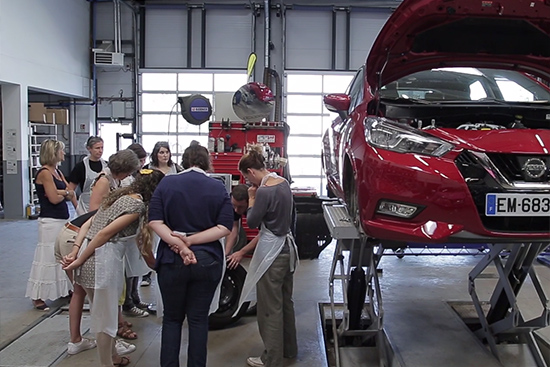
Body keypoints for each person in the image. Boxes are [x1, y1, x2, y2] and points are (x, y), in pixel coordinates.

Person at [63, 169, 164, 367]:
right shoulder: (137, 206)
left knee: (100, 312)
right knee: (106, 319)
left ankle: (113, 358)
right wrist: (78, 259)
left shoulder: (120, 196)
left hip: (90, 254)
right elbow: (103, 235)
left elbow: (88, 225)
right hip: (102, 259)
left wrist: (77, 253)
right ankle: (106, 363)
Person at [149, 142, 233, 367]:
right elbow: (225, 227)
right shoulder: (217, 187)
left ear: (183, 161)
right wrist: (192, 240)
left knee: (172, 319)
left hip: (171, 259)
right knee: (198, 320)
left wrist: (178, 241)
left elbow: (154, 221)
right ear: (207, 163)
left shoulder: (166, 184)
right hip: (207, 260)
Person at [237, 144, 299, 367]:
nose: (248, 183)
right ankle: (289, 349)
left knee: (269, 308)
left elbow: (252, 221)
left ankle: (271, 358)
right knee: (285, 302)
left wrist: (252, 198)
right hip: (287, 248)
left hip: (272, 253)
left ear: (251, 172)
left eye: (247, 177)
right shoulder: (283, 184)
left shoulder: (263, 191)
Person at [26, 139, 76, 310]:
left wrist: (63, 192)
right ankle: (38, 295)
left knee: (63, 255)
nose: (64, 154)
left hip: (62, 218)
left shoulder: (57, 172)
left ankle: (64, 289)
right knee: (48, 256)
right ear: (54, 153)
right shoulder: (45, 173)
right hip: (50, 221)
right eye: (61, 151)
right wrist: (64, 193)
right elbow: (54, 198)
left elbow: (69, 193)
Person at [55, 209, 98, 354]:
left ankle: (76, 340)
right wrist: (77, 254)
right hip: (77, 236)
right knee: (95, 291)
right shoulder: (132, 205)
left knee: (79, 290)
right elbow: (101, 233)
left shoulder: (120, 200)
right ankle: (109, 342)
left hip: (70, 232)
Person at [141, 141, 182, 287]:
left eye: (166, 152)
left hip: (172, 208)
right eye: (161, 152)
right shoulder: (148, 169)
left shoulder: (176, 169)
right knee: (150, 239)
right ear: (155, 154)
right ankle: (146, 274)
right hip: (153, 207)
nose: (164, 155)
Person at [121, 143, 154, 318]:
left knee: (136, 265)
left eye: (143, 160)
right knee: (129, 267)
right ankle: (128, 302)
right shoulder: (126, 180)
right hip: (127, 230)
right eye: (139, 160)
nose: (142, 164)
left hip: (138, 226)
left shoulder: (136, 176)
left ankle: (135, 296)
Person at [67, 136, 107, 215]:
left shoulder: (106, 165)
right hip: (85, 207)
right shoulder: (80, 167)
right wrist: (77, 208)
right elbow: (70, 190)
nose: (100, 151)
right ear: (89, 149)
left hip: (103, 206)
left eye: (102, 148)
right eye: (97, 148)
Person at [225, 184, 259, 270]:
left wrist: (241, 252)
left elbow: (264, 234)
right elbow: (234, 228)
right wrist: (226, 253)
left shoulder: (258, 206)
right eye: (234, 205)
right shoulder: (233, 204)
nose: (236, 210)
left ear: (249, 202)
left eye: (240, 207)